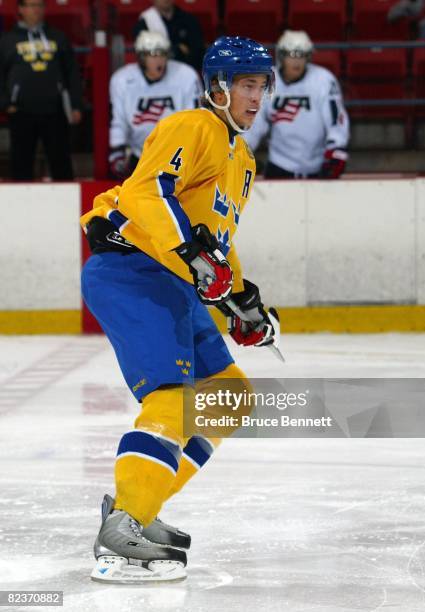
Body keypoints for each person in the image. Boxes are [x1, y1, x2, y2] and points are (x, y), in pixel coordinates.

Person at [80, 36, 277, 583]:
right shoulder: (194, 127)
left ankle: (139, 505)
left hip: (172, 282)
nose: (255, 98)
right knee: (172, 399)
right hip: (132, 271)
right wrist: (191, 254)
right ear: (217, 88)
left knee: (230, 399)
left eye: (261, 86)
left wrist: (240, 300)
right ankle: (123, 526)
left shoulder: (243, 159)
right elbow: (147, 194)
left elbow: (215, 238)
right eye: (245, 86)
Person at [244, 30, 350, 179]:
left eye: (302, 55)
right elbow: (254, 123)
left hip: (317, 166)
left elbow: (335, 119)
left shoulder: (323, 80)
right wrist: (242, 151)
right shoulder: (266, 81)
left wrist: (336, 148)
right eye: (292, 55)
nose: (297, 61)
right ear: (281, 55)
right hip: (279, 165)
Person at [0, 0, 82, 181]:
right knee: (21, 164)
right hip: (21, 111)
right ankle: (19, 206)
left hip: (55, 110)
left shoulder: (58, 37)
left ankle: (68, 206)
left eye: (39, 5)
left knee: (61, 163)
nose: (36, 9)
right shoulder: (6, 40)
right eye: (31, 5)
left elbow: (72, 73)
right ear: (21, 9)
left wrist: (75, 105)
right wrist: (6, 104)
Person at [109, 30, 202, 180]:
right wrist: (117, 149)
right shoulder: (123, 79)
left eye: (162, 54)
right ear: (141, 57)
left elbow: (196, 119)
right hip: (139, 155)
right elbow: (119, 119)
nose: (159, 60)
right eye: (153, 54)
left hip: (177, 155)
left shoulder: (185, 75)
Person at [133, 0, 205, 72]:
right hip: (156, 75)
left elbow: (197, 52)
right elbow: (143, 55)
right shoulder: (145, 23)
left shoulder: (190, 20)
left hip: (185, 72)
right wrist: (177, 50)